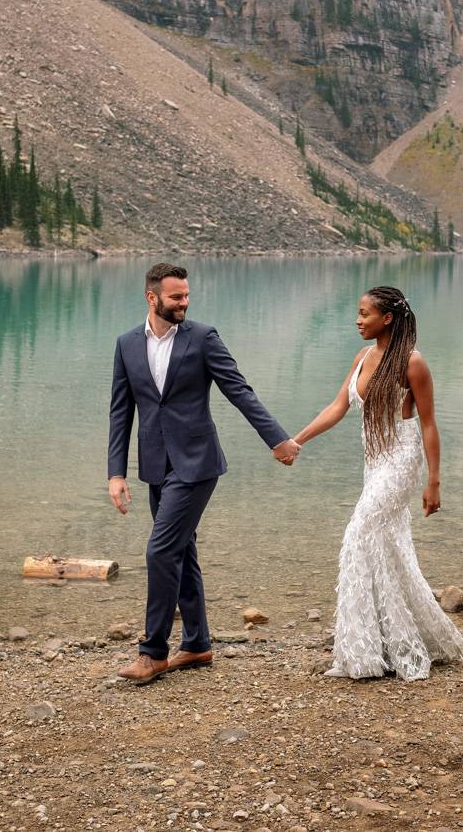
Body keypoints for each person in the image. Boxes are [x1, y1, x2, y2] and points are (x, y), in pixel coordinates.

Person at [107, 262, 301, 684]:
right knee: (181, 552)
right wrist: (116, 473)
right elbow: (121, 412)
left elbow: (238, 390)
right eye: (176, 296)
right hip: (156, 464)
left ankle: (152, 652)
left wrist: (277, 439)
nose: (184, 303)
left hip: (197, 464)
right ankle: (197, 644)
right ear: (152, 297)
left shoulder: (203, 337)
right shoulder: (126, 344)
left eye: (187, 296)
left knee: (160, 551)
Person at [292, 286, 463, 680]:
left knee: (358, 534)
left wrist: (434, 482)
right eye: (358, 312)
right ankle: (391, 642)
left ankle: (362, 654)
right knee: (387, 548)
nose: (357, 320)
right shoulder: (362, 357)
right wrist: (296, 441)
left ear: (387, 318)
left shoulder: (412, 363)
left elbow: (428, 424)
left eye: (364, 313)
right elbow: (338, 407)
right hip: (374, 463)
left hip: (402, 463)